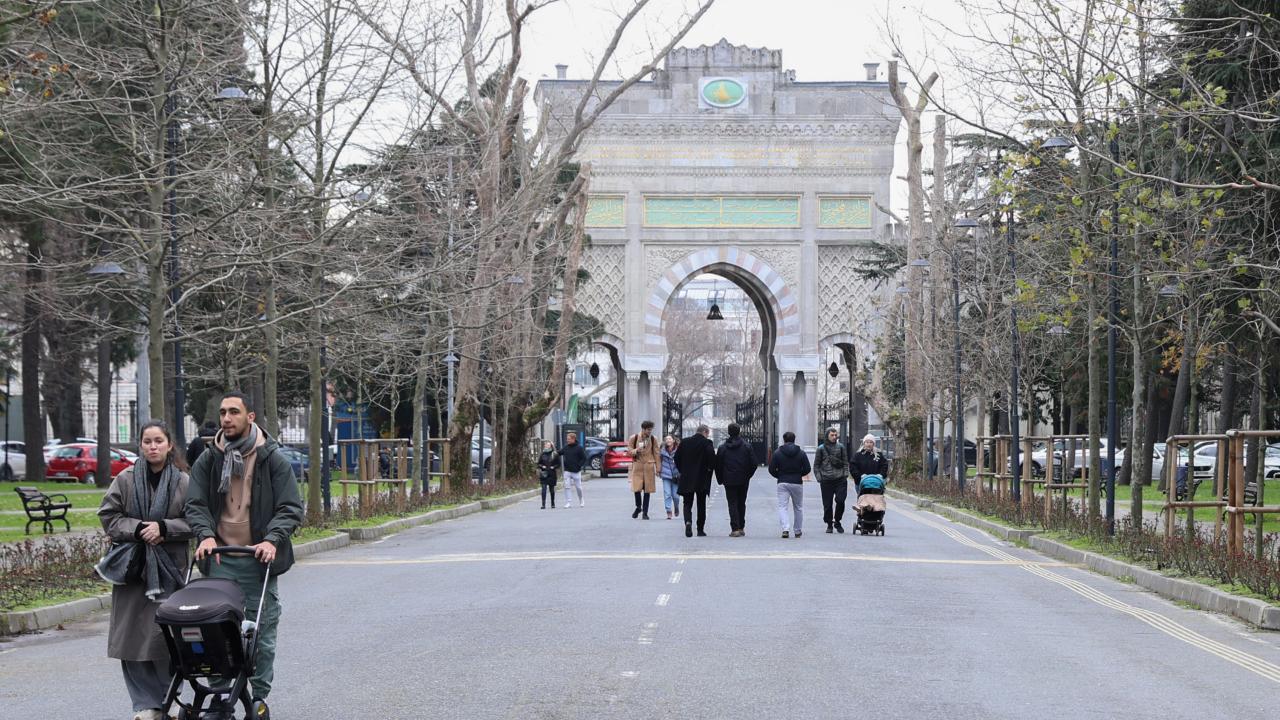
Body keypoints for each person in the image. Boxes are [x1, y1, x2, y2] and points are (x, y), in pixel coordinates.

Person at [186, 391, 303, 711]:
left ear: (250, 417)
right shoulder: (209, 458)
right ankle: (220, 696)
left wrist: (272, 540)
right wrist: (206, 536)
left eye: (234, 412)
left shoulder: (272, 459)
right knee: (214, 631)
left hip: (257, 560)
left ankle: (259, 696)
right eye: (223, 412)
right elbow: (194, 503)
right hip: (220, 558)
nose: (226, 418)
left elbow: (291, 508)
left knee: (260, 632)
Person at [98, 420, 192, 720]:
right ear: (140, 445)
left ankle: (171, 699)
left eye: (158, 441)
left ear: (169, 445)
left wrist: (164, 528)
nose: (153, 446)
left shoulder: (183, 482)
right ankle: (145, 705)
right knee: (131, 639)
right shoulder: (124, 479)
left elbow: (197, 520)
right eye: (147, 441)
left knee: (165, 637)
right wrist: (138, 529)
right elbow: (109, 516)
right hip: (132, 570)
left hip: (169, 570)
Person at [715, 423, 756, 537]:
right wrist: (748, 475)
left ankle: (735, 528)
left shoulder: (723, 447)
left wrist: (720, 479)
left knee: (732, 503)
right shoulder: (747, 446)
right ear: (739, 432)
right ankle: (741, 526)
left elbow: (718, 465)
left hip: (729, 479)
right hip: (743, 479)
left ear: (728, 432)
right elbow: (754, 464)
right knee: (741, 503)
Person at [674, 425, 716, 537]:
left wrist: (682, 470)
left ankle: (688, 522)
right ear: (705, 432)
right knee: (701, 504)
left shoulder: (685, 442)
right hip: (702, 478)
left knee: (687, 503)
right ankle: (700, 529)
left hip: (687, 477)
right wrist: (709, 469)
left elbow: (676, 458)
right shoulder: (707, 443)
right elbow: (712, 458)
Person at [768, 431, 811, 538]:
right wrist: (799, 475)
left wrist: (780, 476)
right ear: (794, 440)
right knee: (798, 507)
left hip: (783, 482)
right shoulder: (801, 453)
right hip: (797, 482)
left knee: (783, 506)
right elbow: (807, 468)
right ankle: (797, 530)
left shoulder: (777, 453)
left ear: (784, 440)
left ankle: (785, 528)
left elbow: (771, 469)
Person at [815, 428, 850, 533]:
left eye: (836, 435)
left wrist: (845, 474)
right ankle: (829, 523)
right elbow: (816, 465)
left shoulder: (841, 447)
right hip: (826, 480)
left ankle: (838, 520)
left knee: (840, 500)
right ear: (827, 436)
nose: (834, 437)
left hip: (840, 479)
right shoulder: (821, 449)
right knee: (827, 503)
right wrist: (819, 477)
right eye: (832, 435)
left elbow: (845, 462)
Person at [627, 420, 661, 519]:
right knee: (636, 489)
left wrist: (658, 468)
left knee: (647, 490)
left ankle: (645, 513)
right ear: (643, 429)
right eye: (648, 430)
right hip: (637, 466)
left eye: (651, 430)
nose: (650, 432)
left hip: (649, 466)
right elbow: (629, 451)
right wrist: (636, 450)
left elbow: (656, 453)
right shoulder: (634, 438)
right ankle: (638, 507)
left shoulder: (654, 439)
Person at [558, 432, 587, 508]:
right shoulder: (566, 447)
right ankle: (568, 502)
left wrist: (579, 465)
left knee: (578, 487)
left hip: (576, 471)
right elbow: (559, 453)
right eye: (567, 439)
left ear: (573, 439)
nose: (567, 440)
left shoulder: (579, 448)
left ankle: (581, 500)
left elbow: (584, 458)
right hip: (567, 470)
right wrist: (552, 449)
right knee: (567, 486)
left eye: (569, 439)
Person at [659, 435, 681, 520]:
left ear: (673, 440)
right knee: (667, 494)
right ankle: (668, 511)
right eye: (666, 439)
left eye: (670, 439)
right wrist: (658, 470)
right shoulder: (662, 451)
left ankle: (676, 506)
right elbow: (659, 461)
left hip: (676, 476)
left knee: (676, 496)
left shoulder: (679, 450)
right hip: (665, 474)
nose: (668, 440)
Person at [538, 441, 558, 509]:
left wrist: (553, 467)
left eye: (548, 445)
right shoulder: (542, 454)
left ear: (551, 446)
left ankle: (552, 502)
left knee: (551, 489)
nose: (546, 446)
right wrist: (542, 466)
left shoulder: (554, 454)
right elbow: (539, 463)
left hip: (552, 473)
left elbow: (558, 464)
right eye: (546, 445)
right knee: (543, 488)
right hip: (544, 474)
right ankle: (543, 504)